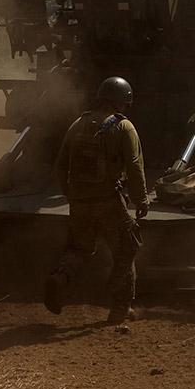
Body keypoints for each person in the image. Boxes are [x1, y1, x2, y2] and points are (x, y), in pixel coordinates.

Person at [44, 76, 148, 326]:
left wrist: (71, 195)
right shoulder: (124, 127)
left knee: (79, 248)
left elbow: (61, 164)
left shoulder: (78, 123)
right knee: (126, 250)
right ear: (122, 101)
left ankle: (60, 278)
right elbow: (134, 166)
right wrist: (141, 200)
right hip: (109, 201)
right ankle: (120, 308)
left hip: (80, 202)